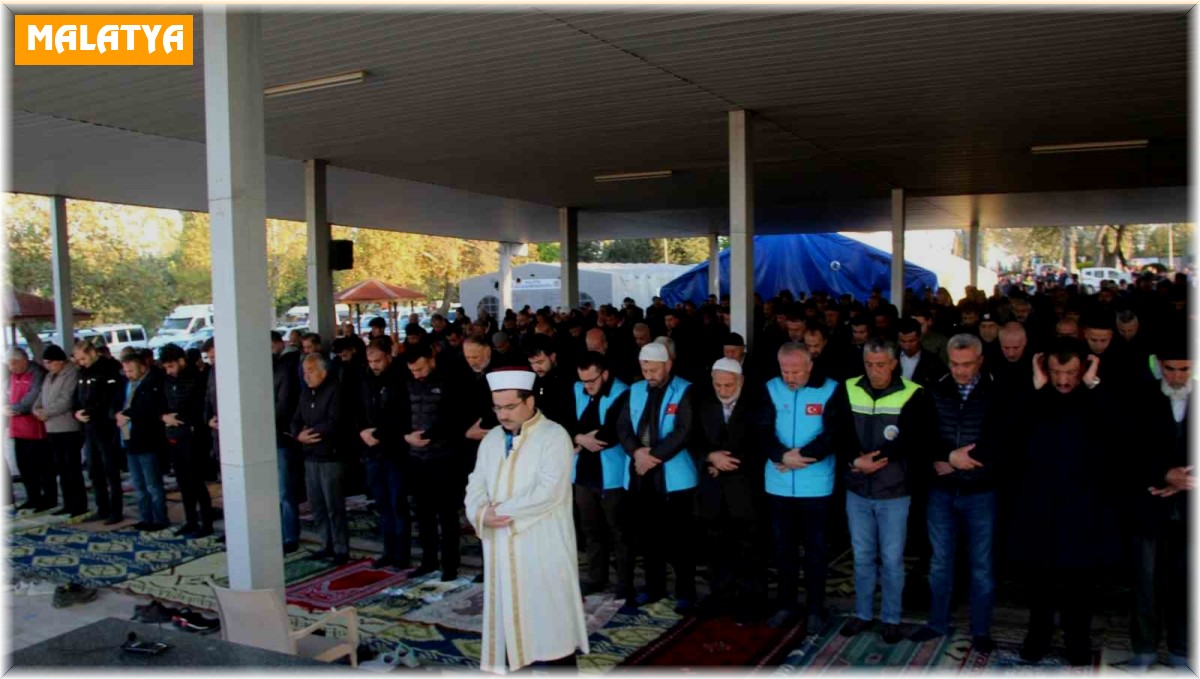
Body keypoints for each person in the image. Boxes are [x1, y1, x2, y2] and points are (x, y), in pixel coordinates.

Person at [464, 367, 589, 673]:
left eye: (510, 407)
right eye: (497, 407)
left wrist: (499, 513)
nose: (502, 414)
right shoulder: (492, 439)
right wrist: (480, 513)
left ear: (530, 401)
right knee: (508, 625)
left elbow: (549, 493)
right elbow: (474, 485)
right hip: (500, 545)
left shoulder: (554, 436)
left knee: (551, 626)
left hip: (542, 544)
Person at [1008, 340, 1120, 665]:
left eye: (1070, 372)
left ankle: (1077, 642)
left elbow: (1119, 432)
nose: (1063, 380)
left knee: (1080, 585)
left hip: (1084, 509)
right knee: (1039, 583)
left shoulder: (1095, 395)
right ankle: (1037, 637)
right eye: (1056, 372)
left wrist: (1094, 385)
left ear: (1084, 368)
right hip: (1039, 507)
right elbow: (1010, 430)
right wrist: (1035, 386)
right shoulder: (1035, 395)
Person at [834, 338, 933, 644]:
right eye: (869, 364)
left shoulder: (913, 393)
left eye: (881, 365)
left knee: (891, 559)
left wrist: (872, 461)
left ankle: (891, 618)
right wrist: (855, 460)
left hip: (895, 490)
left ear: (894, 364)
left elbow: (913, 439)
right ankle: (863, 614)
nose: (874, 371)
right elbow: (839, 430)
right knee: (862, 556)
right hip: (858, 489)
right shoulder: (848, 388)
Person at [909, 334, 1000, 652]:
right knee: (940, 562)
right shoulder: (934, 390)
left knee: (982, 565)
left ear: (980, 361)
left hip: (981, 491)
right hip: (942, 491)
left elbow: (1000, 441)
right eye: (956, 364)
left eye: (967, 364)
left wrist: (960, 465)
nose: (961, 371)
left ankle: (981, 631)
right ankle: (936, 622)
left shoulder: (995, 391)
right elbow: (921, 436)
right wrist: (949, 457)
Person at [762, 343, 842, 632]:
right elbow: (762, 429)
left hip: (816, 486)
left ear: (810, 365)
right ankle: (785, 605)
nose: (790, 377)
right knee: (783, 550)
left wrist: (799, 457)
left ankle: (815, 609)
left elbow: (833, 434)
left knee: (815, 551)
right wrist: (781, 456)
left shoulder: (830, 388)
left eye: (796, 371)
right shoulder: (770, 388)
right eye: (785, 371)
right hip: (778, 485)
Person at [616, 341, 699, 614]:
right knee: (647, 536)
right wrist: (638, 453)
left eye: (653, 369)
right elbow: (624, 426)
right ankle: (654, 587)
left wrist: (653, 457)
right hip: (640, 475)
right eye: (644, 369)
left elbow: (684, 431)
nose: (649, 374)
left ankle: (686, 592)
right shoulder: (635, 389)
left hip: (673, 477)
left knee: (680, 539)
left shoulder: (685, 390)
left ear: (668, 365)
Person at [691, 357, 771, 624]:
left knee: (749, 546)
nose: (724, 391)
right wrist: (711, 457)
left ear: (741, 382)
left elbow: (760, 443)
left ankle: (752, 600)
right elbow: (693, 439)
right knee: (716, 544)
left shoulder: (756, 405)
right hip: (713, 489)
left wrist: (726, 463)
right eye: (719, 385)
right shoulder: (704, 404)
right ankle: (721, 596)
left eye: (729, 385)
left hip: (745, 489)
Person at [1127, 336, 1191, 669]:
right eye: (1171, 369)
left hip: (1190, 503)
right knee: (1146, 581)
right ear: (1159, 367)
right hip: (1150, 500)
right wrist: (1165, 474)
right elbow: (1131, 447)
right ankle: (1145, 649)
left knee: (1187, 581)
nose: (1177, 377)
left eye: (1184, 369)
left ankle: (1183, 651)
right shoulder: (1143, 396)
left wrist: (1185, 482)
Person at [567, 351, 633, 598]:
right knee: (591, 528)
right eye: (584, 381)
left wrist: (579, 436)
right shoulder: (577, 388)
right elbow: (566, 421)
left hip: (611, 474)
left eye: (592, 380)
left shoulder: (622, 392)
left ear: (605, 374)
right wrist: (580, 436)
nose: (587, 386)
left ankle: (625, 583)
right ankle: (597, 578)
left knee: (619, 531)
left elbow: (609, 434)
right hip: (583, 471)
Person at [405, 341, 471, 580]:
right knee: (422, 513)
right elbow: (401, 414)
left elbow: (455, 419)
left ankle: (450, 565)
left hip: (444, 458)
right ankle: (428, 560)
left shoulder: (450, 380)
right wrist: (407, 436)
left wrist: (430, 435)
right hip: (417, 458)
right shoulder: (409, 382)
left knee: (447, 514)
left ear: (431, 360)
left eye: (421, 369)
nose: (418, 375)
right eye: (413, 371)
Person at [359, 340, 412, 569]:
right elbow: (358, 409)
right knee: (382, 504)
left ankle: (402, 553)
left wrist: (380, 433)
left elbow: (402, 416)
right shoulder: (366, 379)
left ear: (388, 357)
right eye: (370, 361)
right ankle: (388, 550)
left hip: (394, 450)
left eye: (377, 360)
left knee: (397, 503)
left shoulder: (400, 379)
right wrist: (362, 432)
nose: (374, 365)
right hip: (372, 450)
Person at [292, 352, 350, 565]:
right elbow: (296, 419)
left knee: (334, 506)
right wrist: (299, 435)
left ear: (323, 371)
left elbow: (335, 422)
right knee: (317, 505)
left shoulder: (336, 390)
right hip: (310, 456)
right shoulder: (305, 393)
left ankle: (341, 548)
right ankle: (325, 544)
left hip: (330, 456)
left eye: (310, 371)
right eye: (304, 372)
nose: (306, 376)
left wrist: (312, 434)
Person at [160, 343, 214, 538]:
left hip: (193, 437)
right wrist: (164, 417)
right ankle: (191, 521)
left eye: (171, 366)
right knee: (183, 483)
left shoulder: (196, 378)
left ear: (181, 361)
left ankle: (206, 523)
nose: (169, 371)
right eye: (166, 368)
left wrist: (180, 418)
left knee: (196, 482)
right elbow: (161, 404)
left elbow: (198, 407)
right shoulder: (166, 380)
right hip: (173, 436)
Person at [72, 339, 126, 524]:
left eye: (83, 358)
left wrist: (90, 411)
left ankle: (116, 510)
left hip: (105, 426)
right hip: (89, 427)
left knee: (110, 469)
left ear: (92, 352)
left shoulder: (108, 368)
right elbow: (76, 396)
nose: (81, 362)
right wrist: (77, 412)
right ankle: (102, 508)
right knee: (94, 470)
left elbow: (109, 398)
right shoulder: (82, 372)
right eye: (78, 359)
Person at [116, 350, 170, 531]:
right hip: (129, 438)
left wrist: (127, 415)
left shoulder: (153, 382)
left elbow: (148, 408)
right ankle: (145, 517)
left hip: (147, 440)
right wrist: (117, 414)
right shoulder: (126, 384)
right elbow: (118, 404)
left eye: (131, 370)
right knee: (138, 484)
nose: (128, 374)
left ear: (143, 367)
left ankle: (159, 519)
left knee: (153, 483)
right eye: (126, 371)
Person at [34, 345, 87, 516]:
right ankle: (68, 503)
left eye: (50, 362)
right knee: (62, 469)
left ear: (60, 361)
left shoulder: (71, 374)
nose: (48, 366)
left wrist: (46, 413)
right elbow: (40, 397)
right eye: (46, 363)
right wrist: (36, 410)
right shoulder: (49, 376)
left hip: (68, 428)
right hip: (52, 429)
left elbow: (66, 400)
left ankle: (79, 505)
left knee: (72, 468)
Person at [6, 348, 52, 511]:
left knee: (40, 466)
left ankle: (48, 498)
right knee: (23, 466)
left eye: (13, 364)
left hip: (35, 429)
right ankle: (33, 497)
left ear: (22, 361)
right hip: (17, 429)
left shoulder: (37, 373)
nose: (10, 368)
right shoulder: (12, 376)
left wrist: (13, 408)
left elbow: (33, 398)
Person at [271, 331, 302, 553]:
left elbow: (283, 406)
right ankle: (276, 532)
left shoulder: (285, 370)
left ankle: (290, 536)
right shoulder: (276, 369)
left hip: (280, 436)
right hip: (268, 436)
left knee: (284, 491)